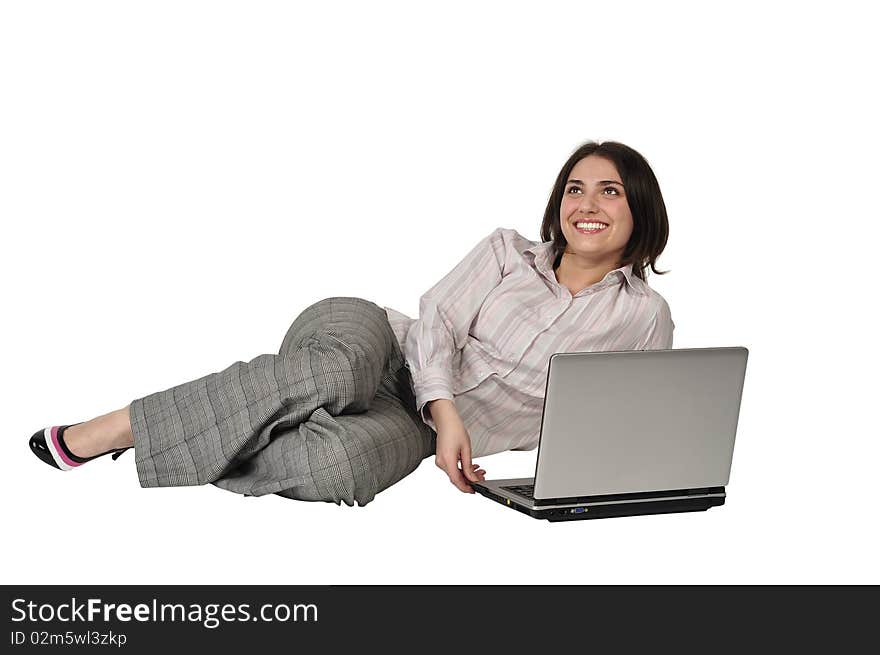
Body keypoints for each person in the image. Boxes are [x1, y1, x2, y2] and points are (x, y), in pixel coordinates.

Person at [28, 140, 674, 507]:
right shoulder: (508, 250)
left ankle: (231, 416)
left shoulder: (644, 317)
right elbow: (437, 323)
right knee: (334, 371)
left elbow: (624, 419)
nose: (586, 204)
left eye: (609, 191)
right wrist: (446, 408)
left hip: (424, 431)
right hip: (379, 345)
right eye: (574, 188)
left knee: (339, 466)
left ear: (638, 208)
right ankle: (119, 426)